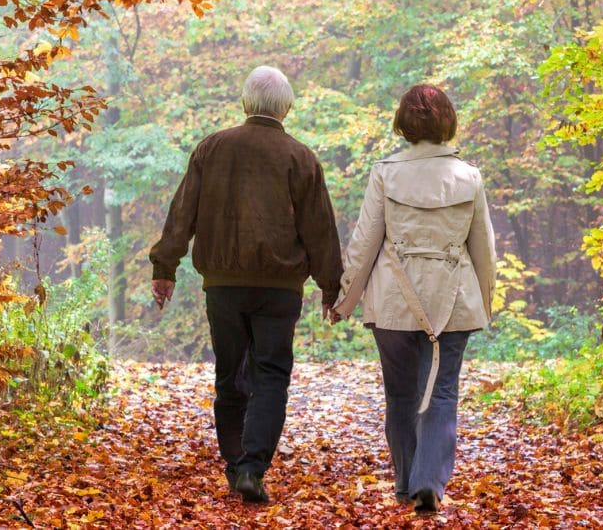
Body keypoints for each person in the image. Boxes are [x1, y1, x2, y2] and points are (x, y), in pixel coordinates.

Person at [149, 66, 343, 504]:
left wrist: (165, 267)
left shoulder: (212, 149)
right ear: (286, 107)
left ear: (245, 103)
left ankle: (236, 466)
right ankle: (254, 467)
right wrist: (332, 287)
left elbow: (183, 214)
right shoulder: (301, 157)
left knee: (229, 376)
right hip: (280, 290)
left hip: (223, 286)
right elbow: (320, 231)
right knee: (272, 376)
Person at [330, 84, 496, 516]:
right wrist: (486, 305)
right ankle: (429, 482)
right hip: (453, 304)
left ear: (403, 123)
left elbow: (365, 242)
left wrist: (344, 300)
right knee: (440, 393)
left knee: (401, 394)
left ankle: (406, 484)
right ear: (447, 123)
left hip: (393, 304)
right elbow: (483, 251)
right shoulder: (469, 177)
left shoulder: (385, 172)